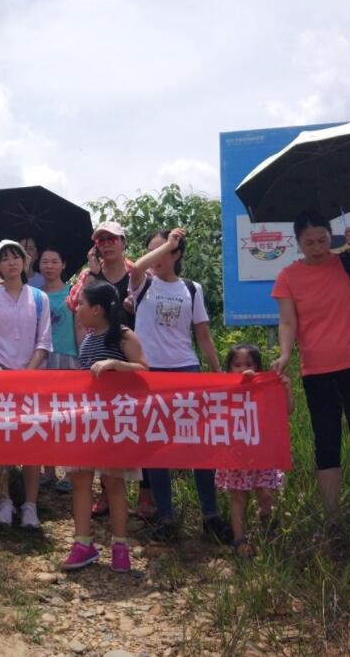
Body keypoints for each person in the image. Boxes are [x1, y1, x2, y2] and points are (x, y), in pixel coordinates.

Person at [271, 209, 350, 529]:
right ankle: (332, 518)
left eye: (322, 239)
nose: (318, 247)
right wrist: (284, 354)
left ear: (330, 236)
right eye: (309, 242)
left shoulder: (347, 263)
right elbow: (287, 322)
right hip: (317, 370)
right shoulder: (288, 276)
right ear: (297, 243)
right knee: (326, 441)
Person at [129, 227, 230, 543]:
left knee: (197, 446)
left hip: (186, 370)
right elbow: (137, 267)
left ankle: (210, 515)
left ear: (178, 254)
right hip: (151, 372)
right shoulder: (143, 284)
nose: (156, 256)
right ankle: (166, 517)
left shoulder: (191, 288)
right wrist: (165, 245)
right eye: (152, 250)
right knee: (157, 447)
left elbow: (203, 335)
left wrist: (217, 372)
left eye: (165, 249)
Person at [60, 282, 147, 572]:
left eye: (81, 304)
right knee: (80, 480)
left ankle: (120, 546)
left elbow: (144, 370)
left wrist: (116, 365)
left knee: (114, 482)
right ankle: (82, 543)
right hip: (87, 420)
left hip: (116, 422)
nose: (77, 310)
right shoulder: (88, 338)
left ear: (97, 309)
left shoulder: (124, 336)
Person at [0, 239, 53, 529]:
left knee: (33, 442)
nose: (11, 263)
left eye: (16, 257)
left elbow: (44, 341)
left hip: (33, 380)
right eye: (5, 259)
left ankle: (30, 505)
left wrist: (28, 373)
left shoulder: (40, 298)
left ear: (25, 261)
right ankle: (4, 499)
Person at [215, 344, 294, 557]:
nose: (243, 369)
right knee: (238, 496)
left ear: (258, 367)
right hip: (236, 454)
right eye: (237, 365)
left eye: (248, 364)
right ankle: (239, 540)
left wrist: (286, 388)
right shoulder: (224, 389)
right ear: (228, 369)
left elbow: (288, 410)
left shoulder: (266, 387)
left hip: (263, 453)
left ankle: (267, 524)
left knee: (265, 493)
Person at [37, 247, 79, 494]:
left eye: (54, 261)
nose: (49, 266)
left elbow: (80, 326)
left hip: (68, 358)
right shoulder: (34, 295)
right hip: (42, 359)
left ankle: (70, 472)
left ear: (63, 264)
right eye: (45, 262)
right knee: (43, 415)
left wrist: (81, 358)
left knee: (68, 416)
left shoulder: (72, 293)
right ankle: (48, 470)